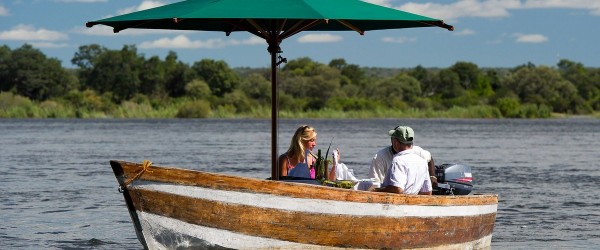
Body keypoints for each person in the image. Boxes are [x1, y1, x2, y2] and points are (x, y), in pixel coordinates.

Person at [368, 127, 438, 188]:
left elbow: (429, 158)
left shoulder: (418, 152)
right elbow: (374, 182)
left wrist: (432, 176)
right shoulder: (380, 157)